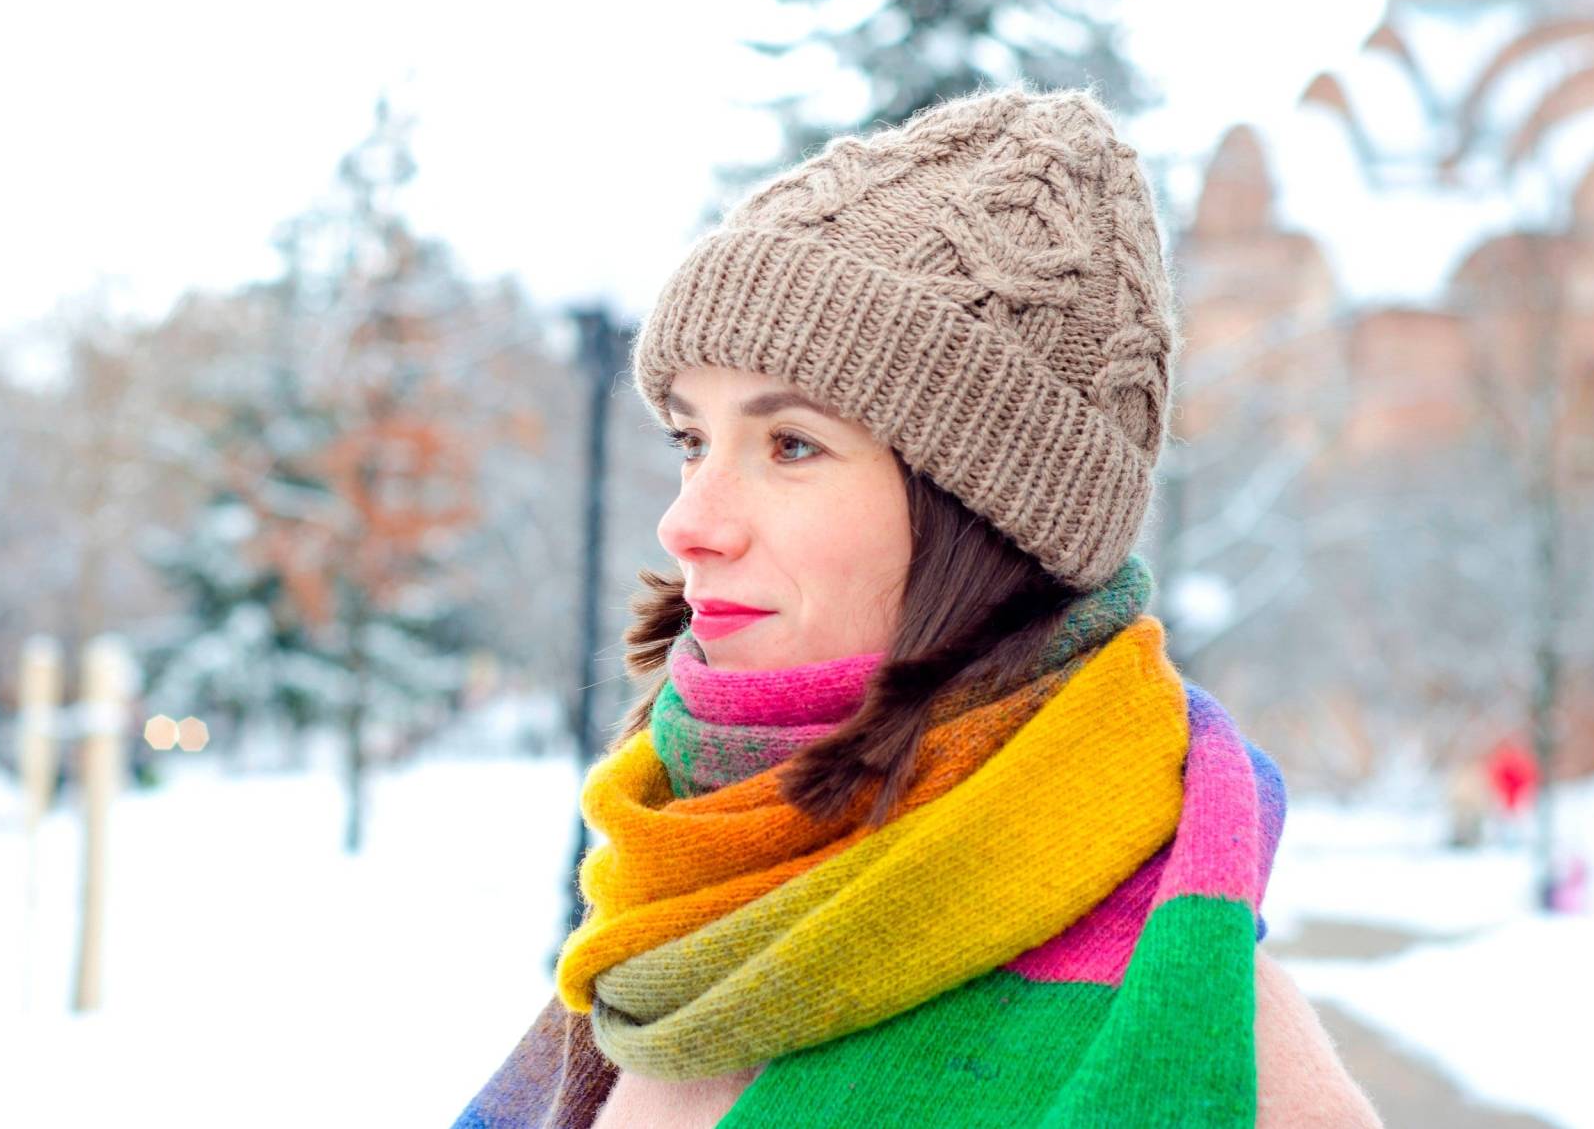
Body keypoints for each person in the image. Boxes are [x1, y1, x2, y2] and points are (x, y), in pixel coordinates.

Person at [454, 86, 1382, 1127]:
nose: (687, 522)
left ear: (984, 512)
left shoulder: (1220, 1046)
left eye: (790, 444)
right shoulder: (672, 913)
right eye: (691, 438)